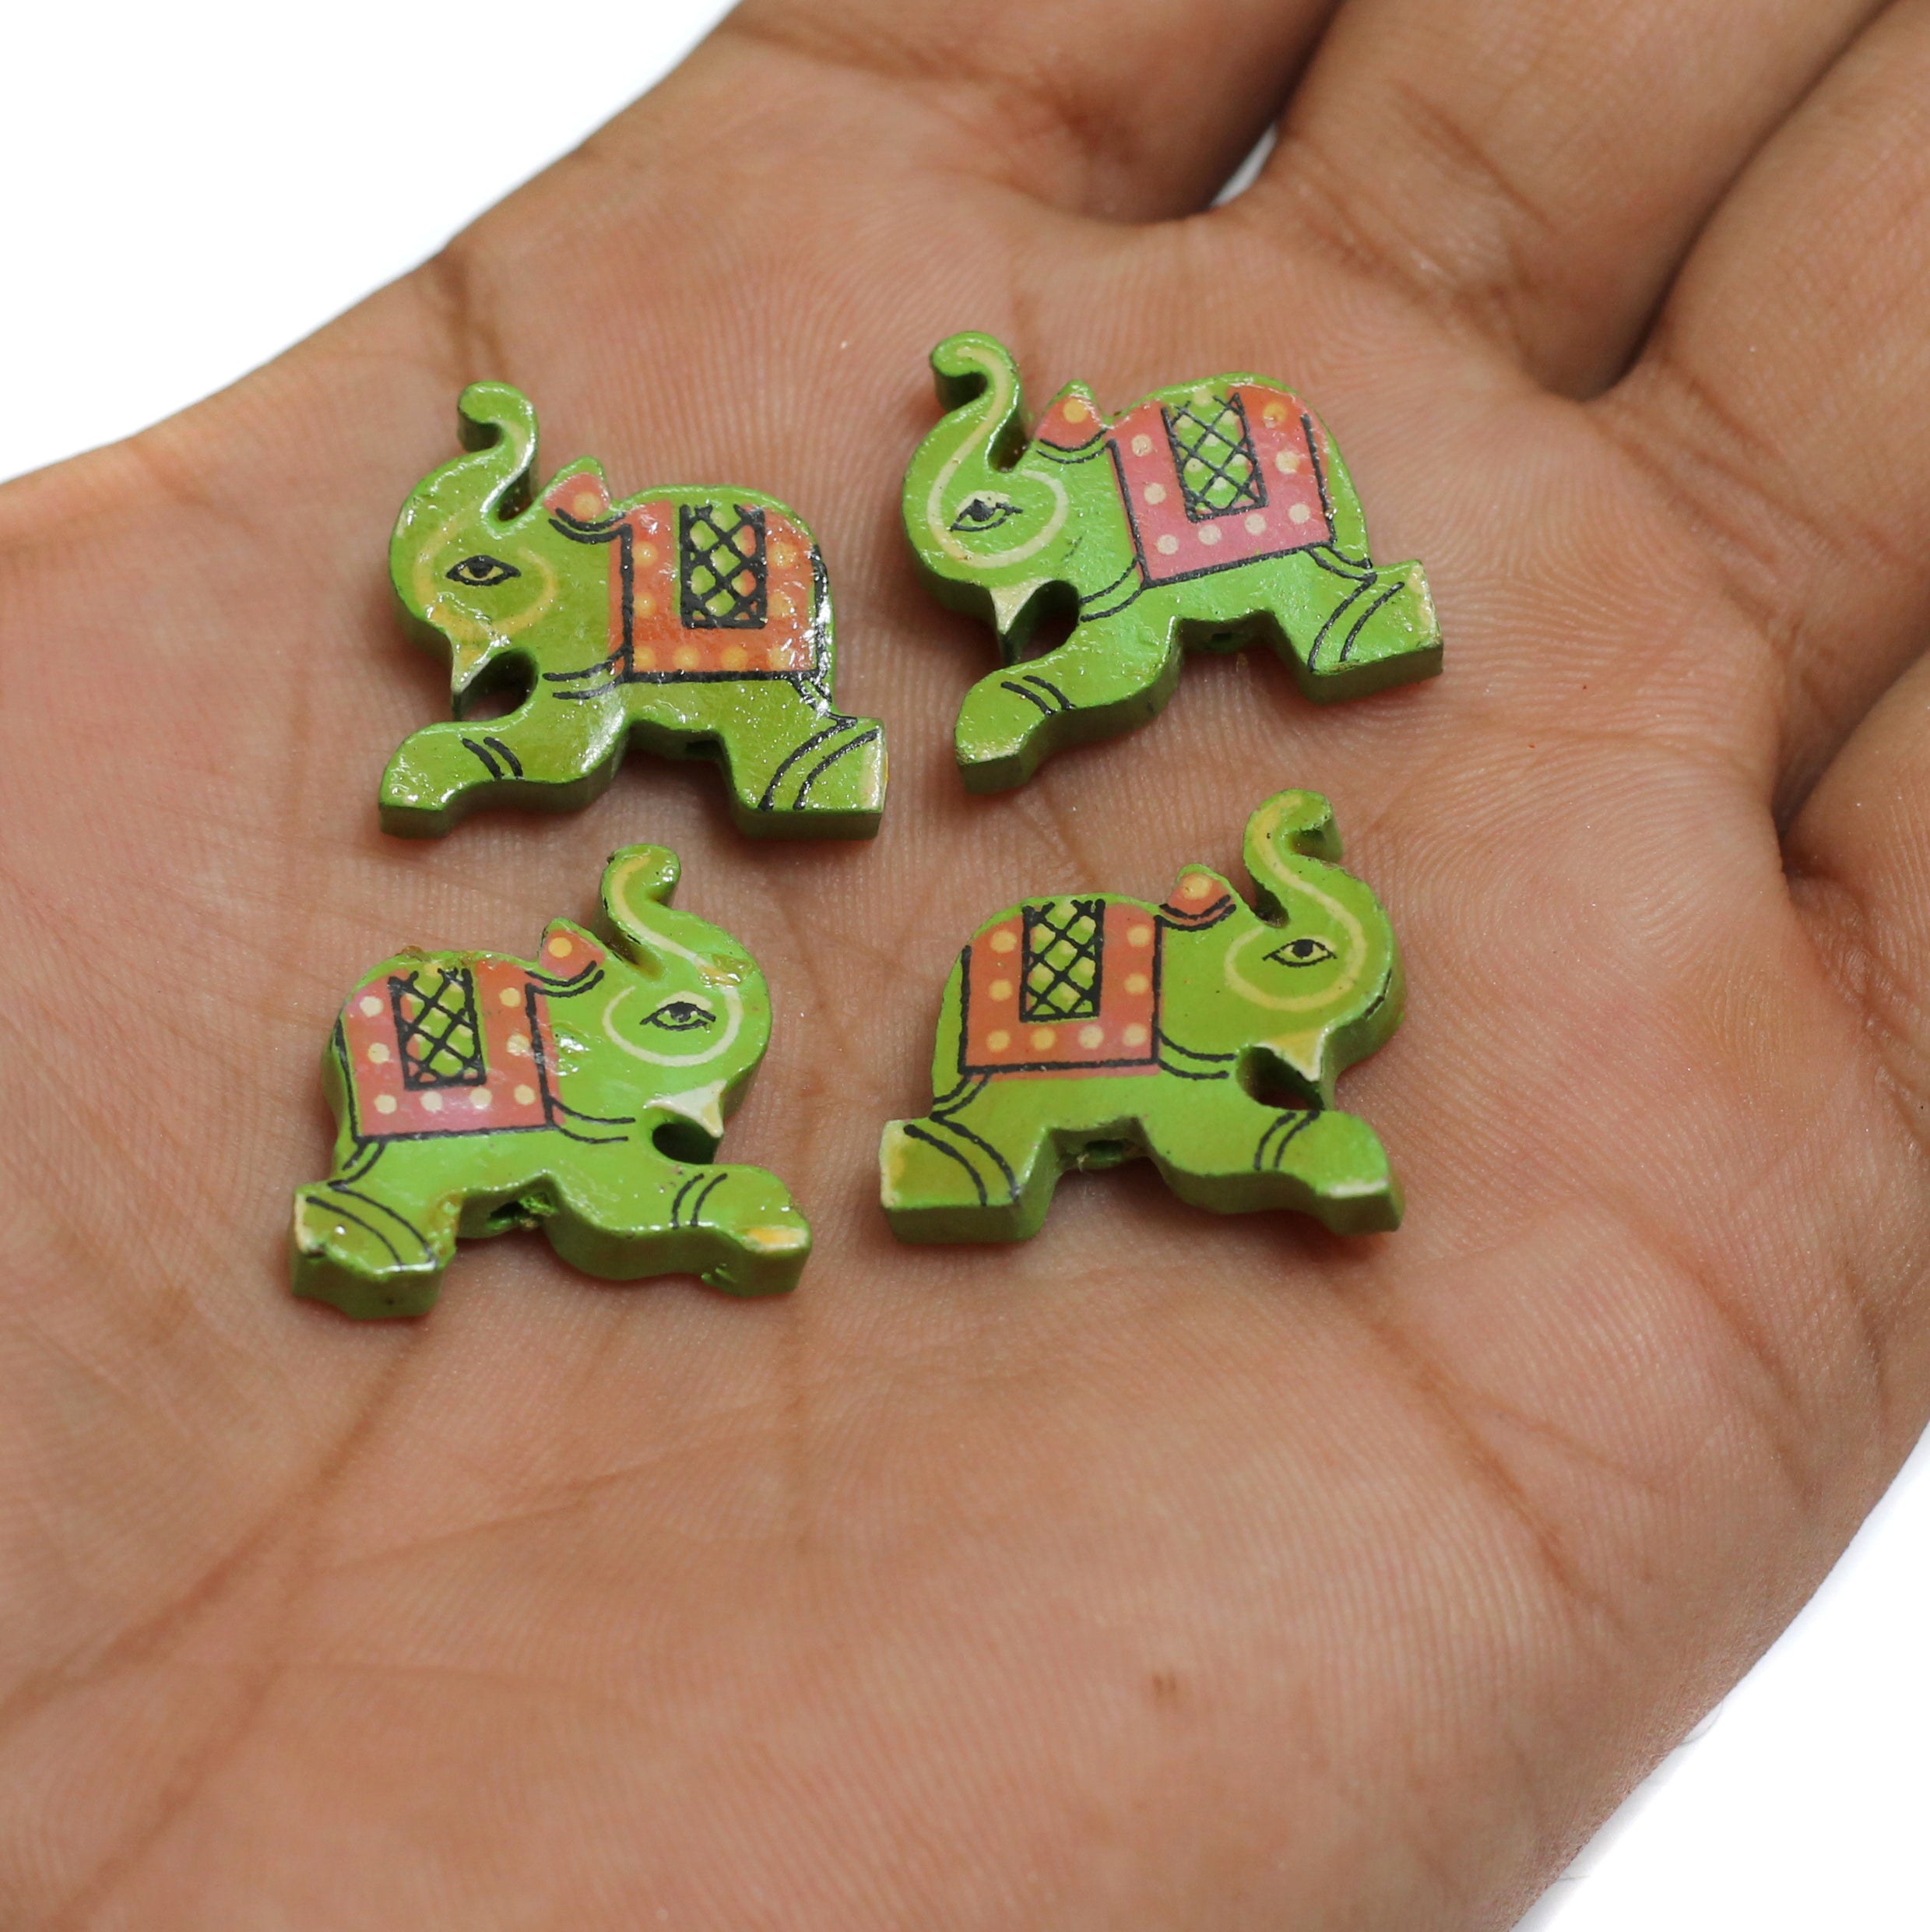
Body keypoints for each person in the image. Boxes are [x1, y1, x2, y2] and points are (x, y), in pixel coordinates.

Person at [2, 0, 1925, 1923]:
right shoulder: (619, 875)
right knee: (844, 1034)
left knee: (962, 821)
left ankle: (1084, 748)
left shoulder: (1118, 726)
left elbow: (1083, 686)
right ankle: (892, 1082)